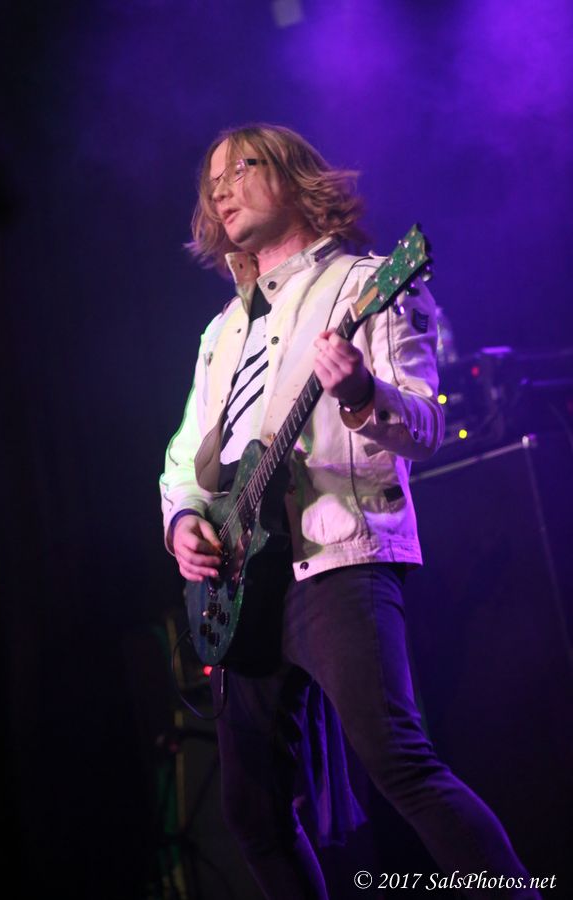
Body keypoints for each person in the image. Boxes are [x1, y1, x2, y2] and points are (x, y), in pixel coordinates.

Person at [159, 124, 540, 899]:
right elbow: (182, 457)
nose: (221, 190)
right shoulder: (220, 332)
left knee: (399, 762)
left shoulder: (366, 284)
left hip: (339, 558)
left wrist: (363, 394)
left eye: (240, 169)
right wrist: (182, 523)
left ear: (294, 176)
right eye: (211, 182)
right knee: (252, 813)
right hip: (243, 583)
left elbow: (426, 426)